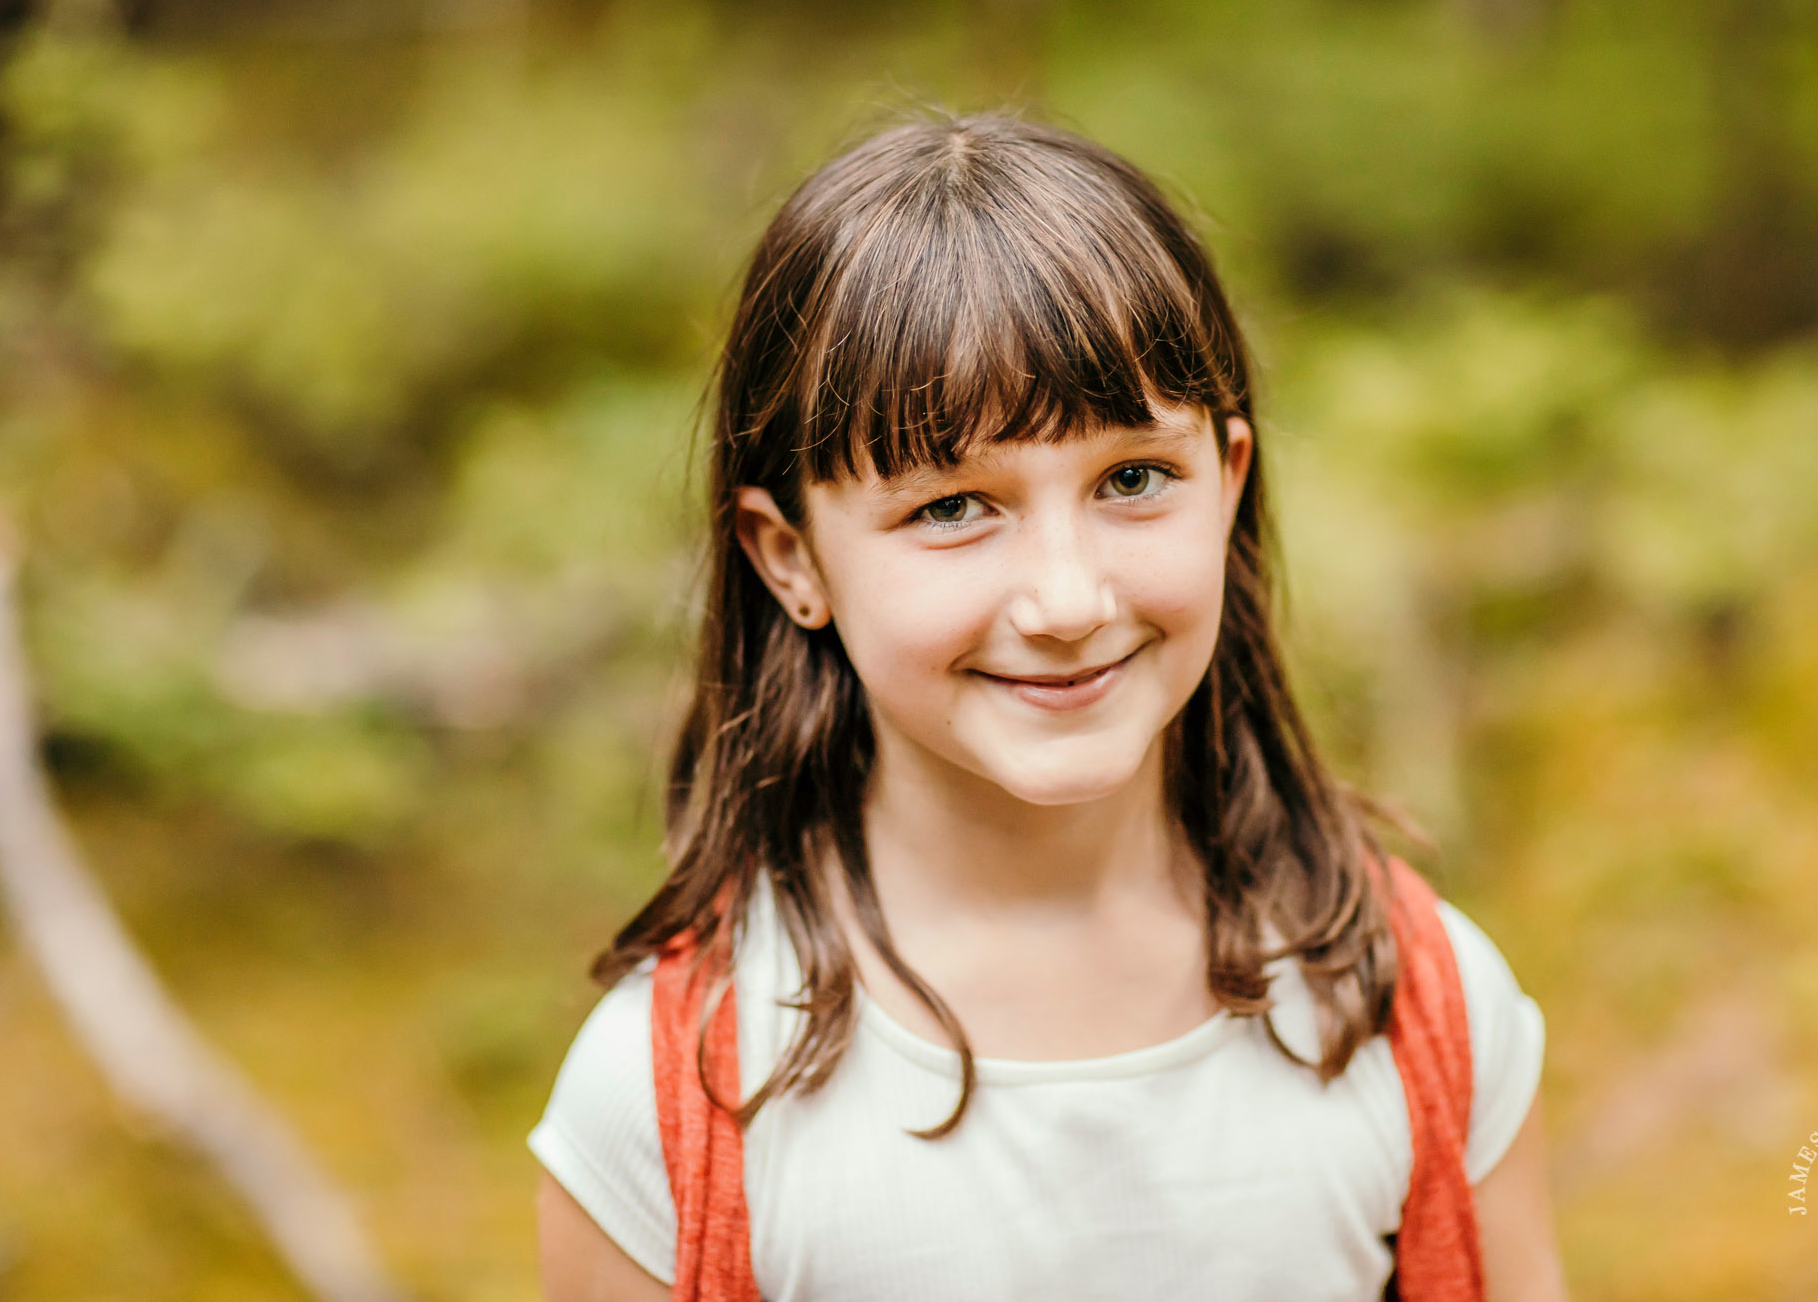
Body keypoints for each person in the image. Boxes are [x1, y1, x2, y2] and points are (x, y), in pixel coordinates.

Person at [529, 111, 1567, 1301]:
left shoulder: (1416, 1007)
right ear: (789, 557)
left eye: (1132, 479)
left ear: (1226, 483)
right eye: (953, 505)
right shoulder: (665, 1104)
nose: (1066, 600)